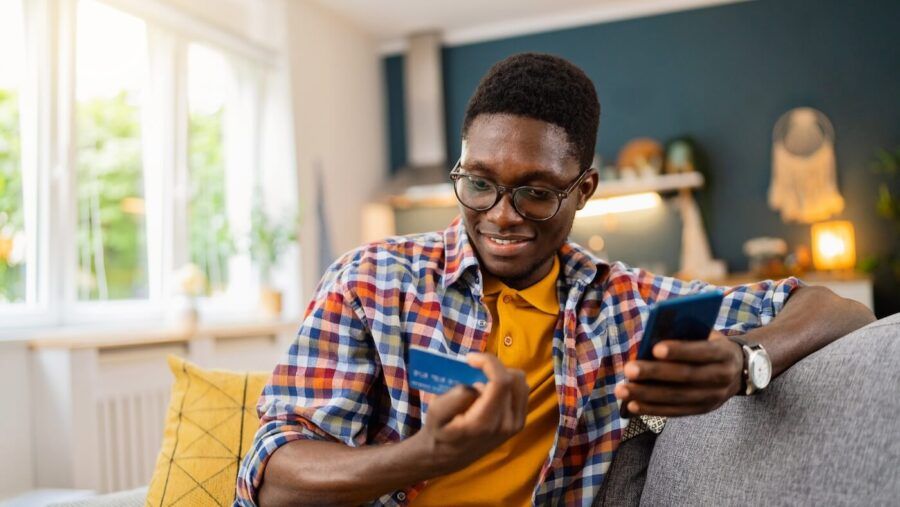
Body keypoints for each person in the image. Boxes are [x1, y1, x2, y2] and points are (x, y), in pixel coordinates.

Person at [235, 53, 875, 506]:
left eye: (536, 193)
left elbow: (842, 310)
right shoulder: (371, 283)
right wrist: (427, 454)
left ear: (584, 190)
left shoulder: (623, 304)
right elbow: (274, 478)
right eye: (479, 184)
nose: (501, 216)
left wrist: (744, 359)